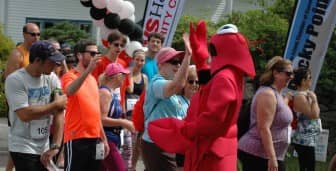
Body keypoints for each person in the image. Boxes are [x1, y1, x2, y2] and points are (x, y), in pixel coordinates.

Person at [147, 21, 256, 171]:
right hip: (216, 149)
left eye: (212, 49)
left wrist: (186, 130)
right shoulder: (232, 75)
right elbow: (209, 92)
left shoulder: (224, 77)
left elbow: (213, 118)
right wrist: (201, 63)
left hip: (211, 153)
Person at [4, 40, 67, 171]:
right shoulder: (15, 80)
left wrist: (55, 146)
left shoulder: (52, 78)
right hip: (22, 145)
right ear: (38, 60)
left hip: (44, 146)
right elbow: (25, 114)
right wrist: (54, 104)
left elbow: (60, 111)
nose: (57, 64)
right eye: (51, 61)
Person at [141, 34, 191, 171]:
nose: (178, 65)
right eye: (174, 62)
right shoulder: (156, 83)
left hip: (170, 145)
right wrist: (188, 56)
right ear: (161, 65)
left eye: (180, 62)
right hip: (156, 144)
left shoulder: (179, 95)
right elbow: (177, 85)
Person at [238, 56, 294, 171]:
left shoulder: (276, 94)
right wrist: (272, 157)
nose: (291, 77)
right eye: (288, 74)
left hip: (267, 155)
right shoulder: (267, 94)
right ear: (276, 73)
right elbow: (264, 128)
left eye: (292, 74)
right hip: (258, 154)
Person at [61, 40, 109, 171]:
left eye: (97, 53)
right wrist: (88, 70)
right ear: (79, 55)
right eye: (92, 53)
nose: (96, 56)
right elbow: (70, 91)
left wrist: (103, 139)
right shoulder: (69, 76)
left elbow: (96, 112)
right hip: (76, 137)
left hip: (95, 138)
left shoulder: (93, 79)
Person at [98, 63, 136, 171]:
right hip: (105, 139)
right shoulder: (105, 93)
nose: (125, 78)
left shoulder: (110, 92)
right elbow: (101, 119)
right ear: (116, 76)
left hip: (110, 139)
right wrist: (123, 122)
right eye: (123, 75)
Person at [290, 68, 321, 171]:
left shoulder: (307, 94)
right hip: (303, 139)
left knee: (307, 166)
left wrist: (313, 99)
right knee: (308, 167)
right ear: (303, 81)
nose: (311, 80)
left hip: (308, 138)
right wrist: (314, 100)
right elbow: (314, 115)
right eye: (309, 78)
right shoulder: (300, 96)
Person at [123, 49, 148, 170]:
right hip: (127, 110)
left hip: (138, 111)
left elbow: (146, 96)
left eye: (142, 60)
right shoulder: (127, 74)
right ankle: (124, 165)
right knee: (127, 141)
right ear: (133, 60)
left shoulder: (145, 77)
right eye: (137, 59)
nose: (139, 62)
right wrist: (131, 73)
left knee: (136, 143)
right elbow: (130, 90)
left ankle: (132, 166)